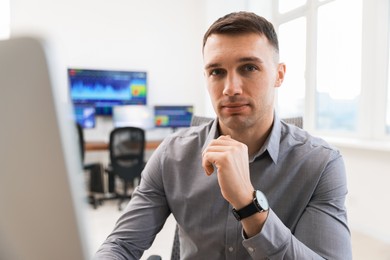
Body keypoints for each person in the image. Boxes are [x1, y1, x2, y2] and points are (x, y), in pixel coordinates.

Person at [94, 11, 352, 259]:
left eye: (249, 68)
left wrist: (248, 205)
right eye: (216, 72)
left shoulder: (320, 164)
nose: (231, 88)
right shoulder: (172, 155)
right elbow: (120, 245)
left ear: (279, 74)